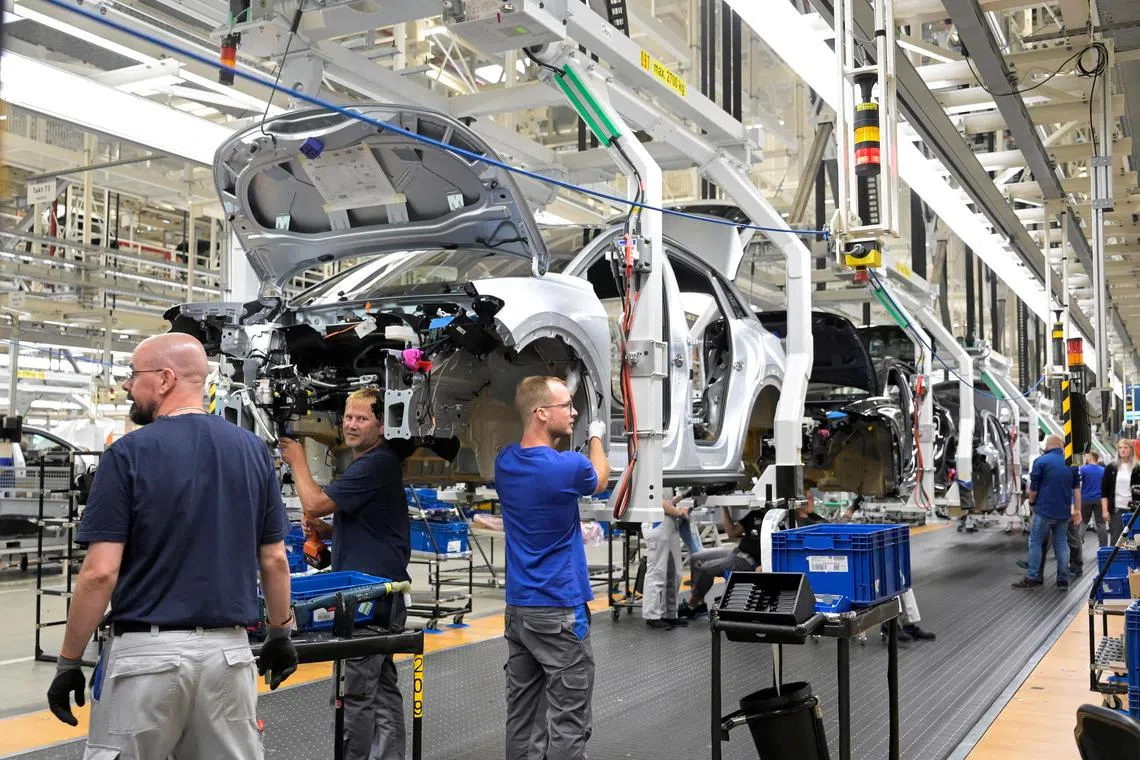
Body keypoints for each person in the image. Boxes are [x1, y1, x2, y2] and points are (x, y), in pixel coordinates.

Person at [46, 333, 297, 759]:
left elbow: (100, 572)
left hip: (146, 660)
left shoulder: (127, 455)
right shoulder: (254, 451)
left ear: (164, 379)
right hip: (229, 657)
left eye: (132, 374)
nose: (127, 385)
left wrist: (69, 659)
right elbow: (274, 559)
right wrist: (279, 632)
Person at [280, 387, 411, 760]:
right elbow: (368, 526)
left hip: (370, 599)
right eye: (349, 418)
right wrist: (326, 532)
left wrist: (297, 459)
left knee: (355, 691)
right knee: (381, 689)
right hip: (381, 593)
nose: (352, 425)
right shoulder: (370, 464)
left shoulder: (376, 463)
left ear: (383, 426)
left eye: (362, 418)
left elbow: (316, 503)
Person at [495, 376, 609, 760]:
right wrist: (596, 436)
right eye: (568, 406)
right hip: (559, 610)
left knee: (523, 716)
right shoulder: (569, 467)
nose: (575, 412)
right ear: (542, 413)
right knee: (568, 719)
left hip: (519, 611)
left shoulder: (505, 462)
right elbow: (600, 478)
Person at [1013, 435, 1081, 589]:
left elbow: (1034, 488)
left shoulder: (1041, 461)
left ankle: (1032, 576)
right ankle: (1063, 580)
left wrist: (1030, 502)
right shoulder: (1071, 463)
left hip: (1044, 510)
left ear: (1047, 446)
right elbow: (1076, 489)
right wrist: (1077, 510)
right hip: (1063, 512)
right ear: (1062, 447)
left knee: (1035, 542)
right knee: (1061, 544)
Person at [677, 506, 766, 619]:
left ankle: (692, 604)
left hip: (750, 561)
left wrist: (762, 565)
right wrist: (725, 507)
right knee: (695, 558)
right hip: (737, 552)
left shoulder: (776, 517)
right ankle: (699, 605)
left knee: (706, 568)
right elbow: (731, 533)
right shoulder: (755, 514)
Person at [642, 491, 691, 630]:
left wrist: (683, 497)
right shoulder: (652, 471)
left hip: (670, 523)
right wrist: (679, 512)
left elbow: (667, 501)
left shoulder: (669, 474)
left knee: (674, 573)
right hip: (656, 524)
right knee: (657, 572)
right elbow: (656, 500)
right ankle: (652, 615)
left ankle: (670, 614)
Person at [1101, 439, 1140, 544]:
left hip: (1135, 509)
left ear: (1131, 450)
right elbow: (1104, 491)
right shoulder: (1111, 468)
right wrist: (1105, 511)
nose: (1123, 450)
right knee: (1116, 540)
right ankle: (1115, 560)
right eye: (1120, 448)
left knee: (1135, 540)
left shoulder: (1137, 468)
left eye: (1126, 447)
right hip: (1117, 509)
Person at [1078, 452, 1108, 547]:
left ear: (1091, 457)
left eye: (1087, 455)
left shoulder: (1083, 469)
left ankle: (1078, 545)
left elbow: (1078, 483)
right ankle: (1103, 547)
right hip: (1099, 499)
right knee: (1101, 523)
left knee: (1083, 522)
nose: (1085, 457)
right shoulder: (1103, 470)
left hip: (1086, 499)